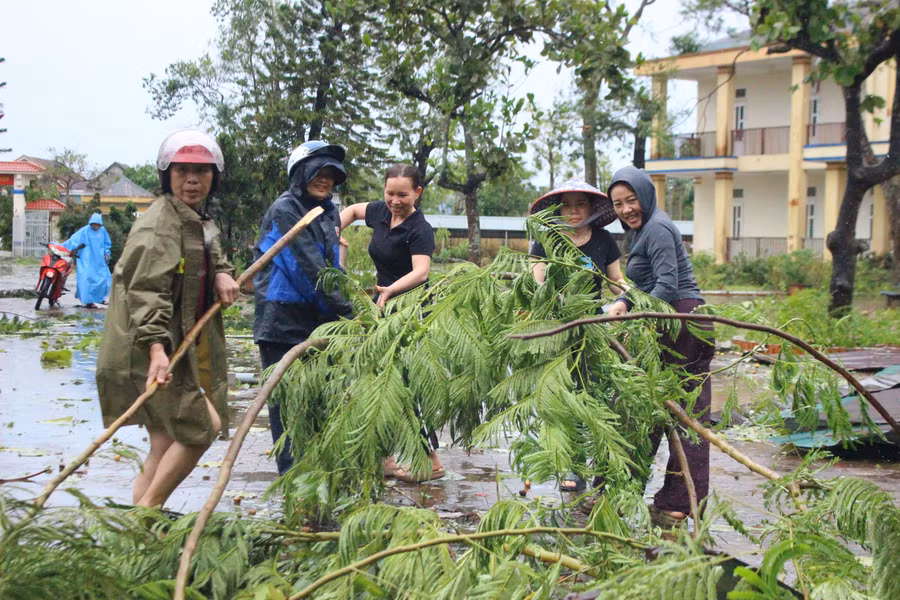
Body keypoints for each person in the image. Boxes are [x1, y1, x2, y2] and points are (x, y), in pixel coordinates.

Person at [96, 128, 240, 508]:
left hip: (164, 345)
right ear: (166, 175)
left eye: (202, 171)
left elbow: (210, 250)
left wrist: (223, 272)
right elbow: (146, 290)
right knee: (201, 427)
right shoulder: (161, 222)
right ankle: (149, 510)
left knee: (162, 443)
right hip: (148, 348)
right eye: (183, 171)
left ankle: (136, 532)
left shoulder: (195, 217)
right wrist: (157, 348)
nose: (192, 179)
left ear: (214, 177)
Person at [606, 165, 715, 528]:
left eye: (631, 200)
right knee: (680, 412)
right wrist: (626, 302)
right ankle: (671, 501)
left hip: (680, 322)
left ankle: (638, 496)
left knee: (657, 408)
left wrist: (628, 308)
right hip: (676, 320)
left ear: (646, 196)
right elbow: (650, 285)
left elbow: (667, 286)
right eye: (617, 204)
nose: (625, 209)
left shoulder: (656, 228)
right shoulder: (645, 231)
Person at [339, 163, 444, 482]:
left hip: (411, 308)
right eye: (390, 193)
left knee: (407, 384)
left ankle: (431, 460)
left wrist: (390, 291)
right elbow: (352, 211)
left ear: (417, 193)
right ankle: (385, 456)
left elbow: (421, 272)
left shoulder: (419, 228)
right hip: (381, 306)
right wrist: (333, 230)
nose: (395, 200)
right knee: (376, 379)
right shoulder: (379, 212)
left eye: (403, 194)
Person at [253, 140, 353, 476]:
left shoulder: (328, 210)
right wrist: (346, 310)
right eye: (318, 173)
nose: (325, 180)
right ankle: (293, 485)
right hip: (282, 320)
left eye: (331, 175)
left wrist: (345, 305)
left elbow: (331, 266)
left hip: (317, 320)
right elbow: (306, 269)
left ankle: (317, 481)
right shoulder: (285, 210)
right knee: (287, 408)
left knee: (318, 402)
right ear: (299, 174)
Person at [529, 178, 627, 492]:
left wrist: (631, 298)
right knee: (563, 397)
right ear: (557, 210)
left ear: (591, 207)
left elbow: (616, 281)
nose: (573, 212)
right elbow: (538, 281)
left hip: (593, 331)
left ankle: (599, 462)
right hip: (557, 329)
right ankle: (570, 466)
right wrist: (551, 299)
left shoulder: (604, 240)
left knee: (593, 395)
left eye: (580, 204)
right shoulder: (546, 240)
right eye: (566, 206)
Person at [62, 212, 112, 308]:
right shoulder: (84, 231)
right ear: (91, 223)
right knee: (85, 280)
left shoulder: (103, 231)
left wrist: (107, 253)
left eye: (98, 225)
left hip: (99, 261)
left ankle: (100, 299)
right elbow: (73, 241)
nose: (96, 227)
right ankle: (88, 301)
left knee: (103, 280)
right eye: (94, 225)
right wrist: (61, 247)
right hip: (87, 260)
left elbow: (107, 243)